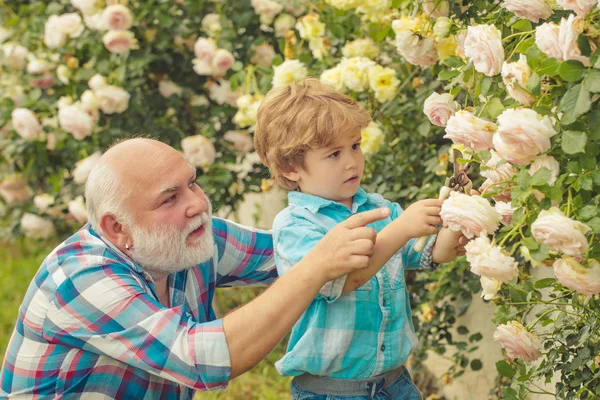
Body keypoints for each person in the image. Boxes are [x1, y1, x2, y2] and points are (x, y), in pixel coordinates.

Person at [0, 138, 392, 399]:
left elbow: (300, 250)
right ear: (116, 227)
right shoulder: (82, 279)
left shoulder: (191, 238)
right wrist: (315, 269)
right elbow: (205, 359)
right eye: (169, 199)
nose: (196, 204)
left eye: (192, 184)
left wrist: (415, 232)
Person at [254, 79, 468, 400]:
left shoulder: (380, 208)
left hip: (395, 385)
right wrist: (402, 228)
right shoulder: (295, 226)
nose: (351, 161)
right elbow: (341, 280)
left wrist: (457, 211)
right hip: (332, 392)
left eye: (355, 146)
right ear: (290, 167)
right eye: (334, 154)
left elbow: (435, 253)